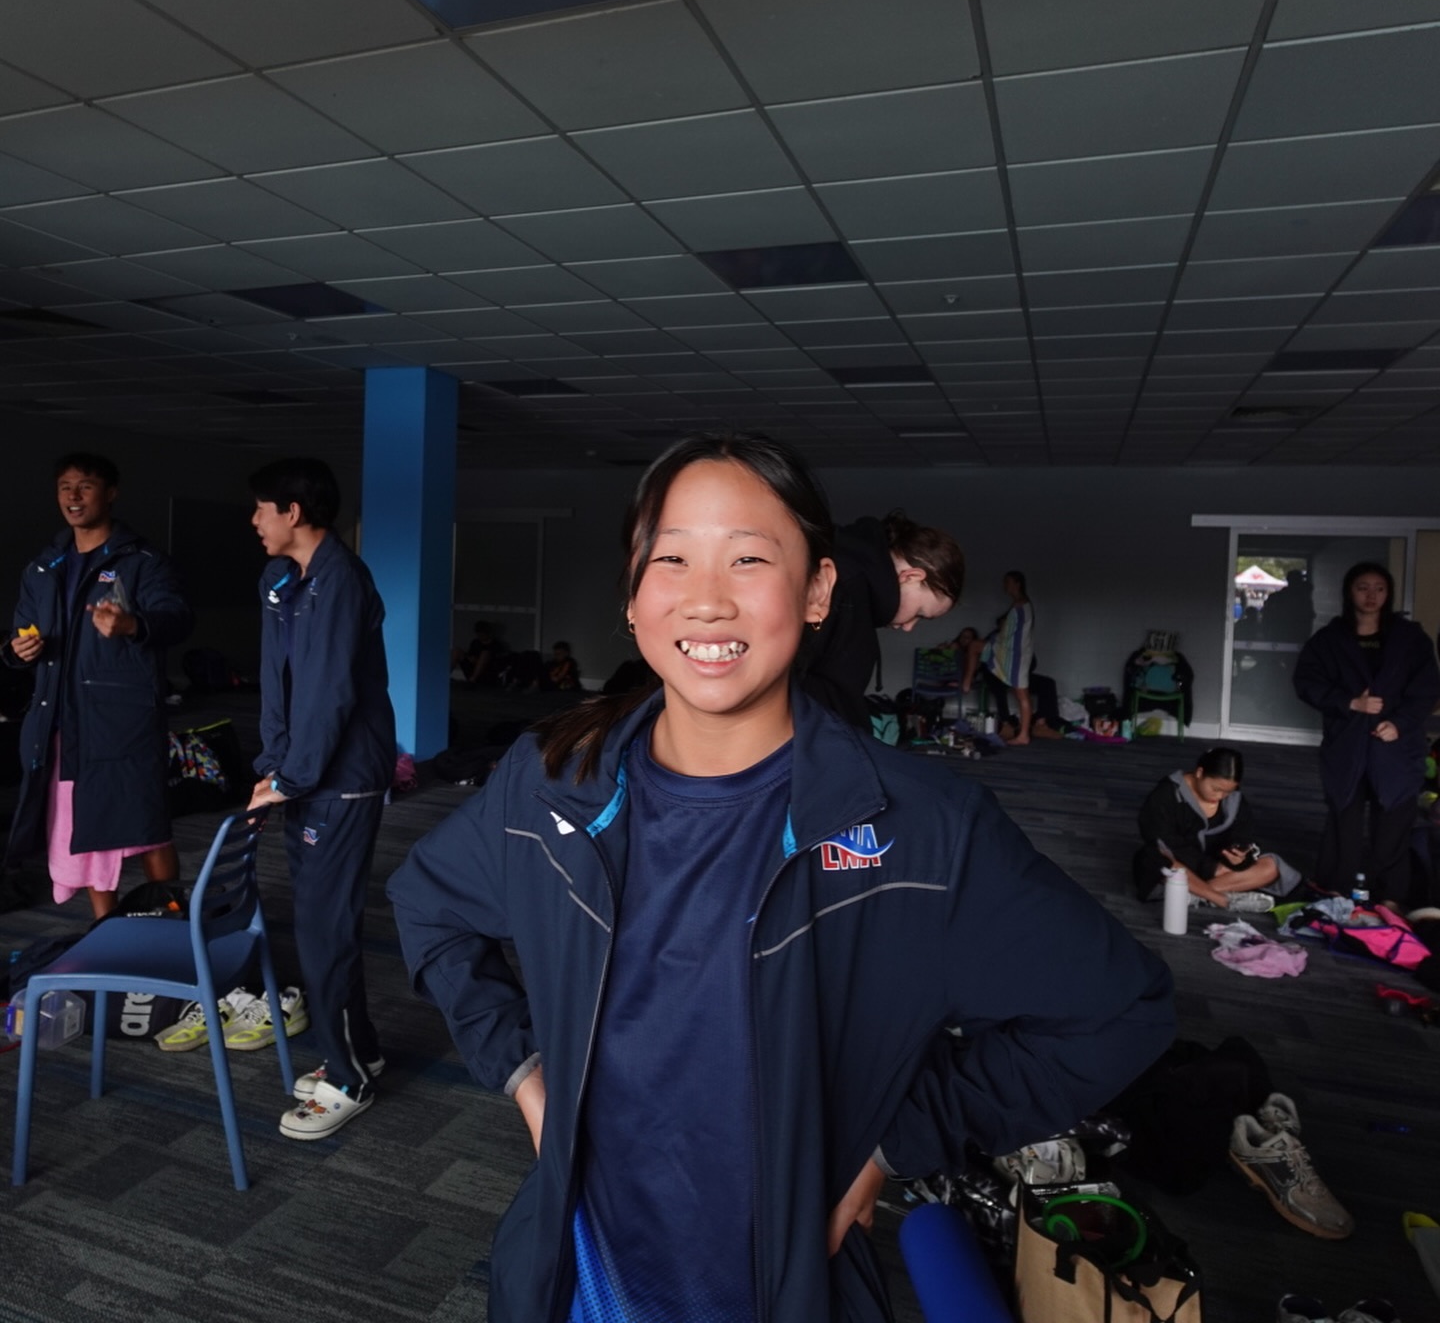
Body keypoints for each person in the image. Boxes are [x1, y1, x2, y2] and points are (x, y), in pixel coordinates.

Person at [387, 432, 1174, 1323]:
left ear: (817, 593)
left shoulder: (922, 830)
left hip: (783, 1280)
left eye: (750, 559)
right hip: (578, 1277)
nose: (708, 600)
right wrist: (526, 1074)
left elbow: (1118, 1009)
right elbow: (429, 904)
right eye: (672, 559)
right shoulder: (549, 781)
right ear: (636, 599)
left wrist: (894, 1145)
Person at [246, 458, 397, 1141]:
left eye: (262, 509)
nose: (254, 521)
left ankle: (347, 1077)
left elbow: (331, 694)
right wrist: (274, 767)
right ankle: (359, 1048)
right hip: (307, 778)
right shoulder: (292, 582)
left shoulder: (340, 582)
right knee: (321, 925)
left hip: (341, 782)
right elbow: (280, 686)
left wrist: (293, 777)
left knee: (322, 931)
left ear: (293, 514)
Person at [4, 453, 191, 920]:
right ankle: (105, 932)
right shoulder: (44, 567)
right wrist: (15, 651)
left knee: (148, 827)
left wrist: (132, 624)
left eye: (85, 486)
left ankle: (172, 920)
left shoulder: (141, 562)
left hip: (121, 723)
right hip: (60, 722)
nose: (73, 496)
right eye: (65, 486)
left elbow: (177, 619)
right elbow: (19, 632)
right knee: (77, 829)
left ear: (110, 493)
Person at [1294, 561, 1440, 907]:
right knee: (1344, 816)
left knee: (1393, 821)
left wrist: (1400, 723)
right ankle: (1334, 890)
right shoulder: (1330, 639)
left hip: (1396, 746)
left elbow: (1427, 688)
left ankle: (1388, 897)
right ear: (1349, 592)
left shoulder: (1410, 639)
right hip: (1348, 744)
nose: (1371, 595)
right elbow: (1307, 682)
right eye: (1363, 587)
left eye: (1379, 588)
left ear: (1388, 594)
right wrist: (1349, 703)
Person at [800, 509, 965, 730]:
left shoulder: (850, 574)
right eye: (919, 614)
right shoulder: (843, 585)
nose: (908, 627)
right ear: (911, 577)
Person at [1133, 747, 1301, 906]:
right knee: (1153, 858)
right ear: (1199, 773)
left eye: (1227, 792)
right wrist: (1211, 868)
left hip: (1217, 867)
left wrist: (1239, 856)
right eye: (1216, 789)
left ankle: (1194, 894)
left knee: (1270, 866)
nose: (1220, 796)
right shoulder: (1167, 795)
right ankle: (1223, 900)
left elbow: (1243, 835)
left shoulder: (1235, 800)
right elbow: (1164, 842)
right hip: (1182, 863)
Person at [963, 571, 1037, 744]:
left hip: (1015, 654)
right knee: (974, 646)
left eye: (1008, 582)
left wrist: (999, 635)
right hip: (1006, 650)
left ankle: (1024, 735)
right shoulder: (1017, 604)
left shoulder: (1022, 604)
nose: (1005, 586)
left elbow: (1013, 632)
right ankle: (967, 683)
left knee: (1022, 695)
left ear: (1017, 583)